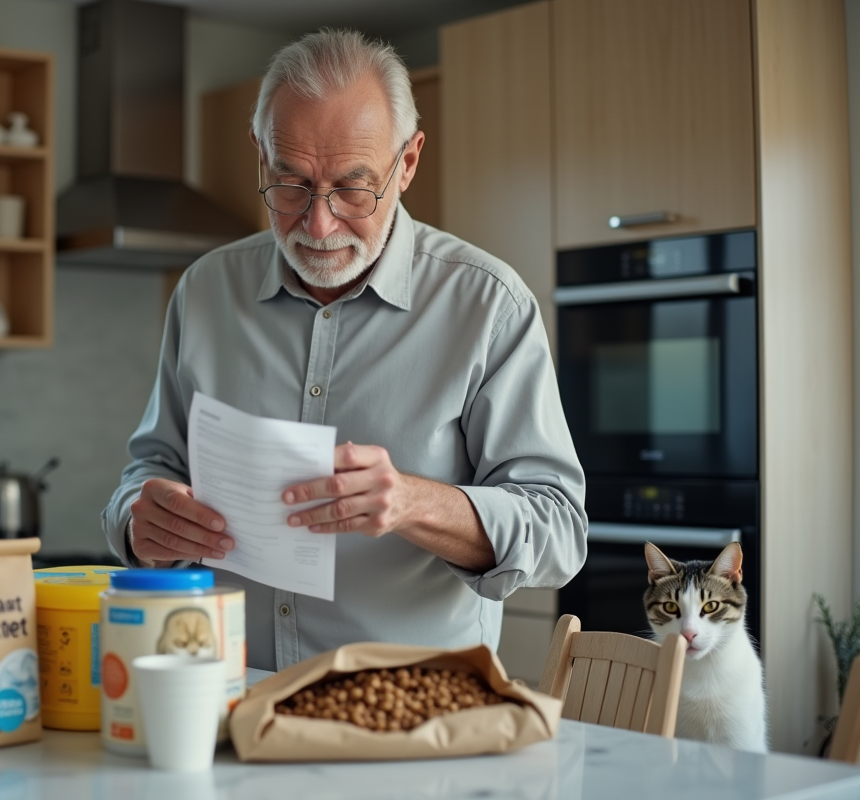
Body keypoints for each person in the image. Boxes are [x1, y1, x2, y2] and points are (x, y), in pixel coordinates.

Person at [101, 29, 587, 672]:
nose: (319, 223)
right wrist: (140, 523)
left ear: (407, 163)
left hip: (407, 721)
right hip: (224, 702)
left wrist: (415, 502)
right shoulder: (204, 292)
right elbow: (150, 469)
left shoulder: (489, 306)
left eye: (353, 189)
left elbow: (557, 530)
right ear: (259, 156)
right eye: (291, 183)